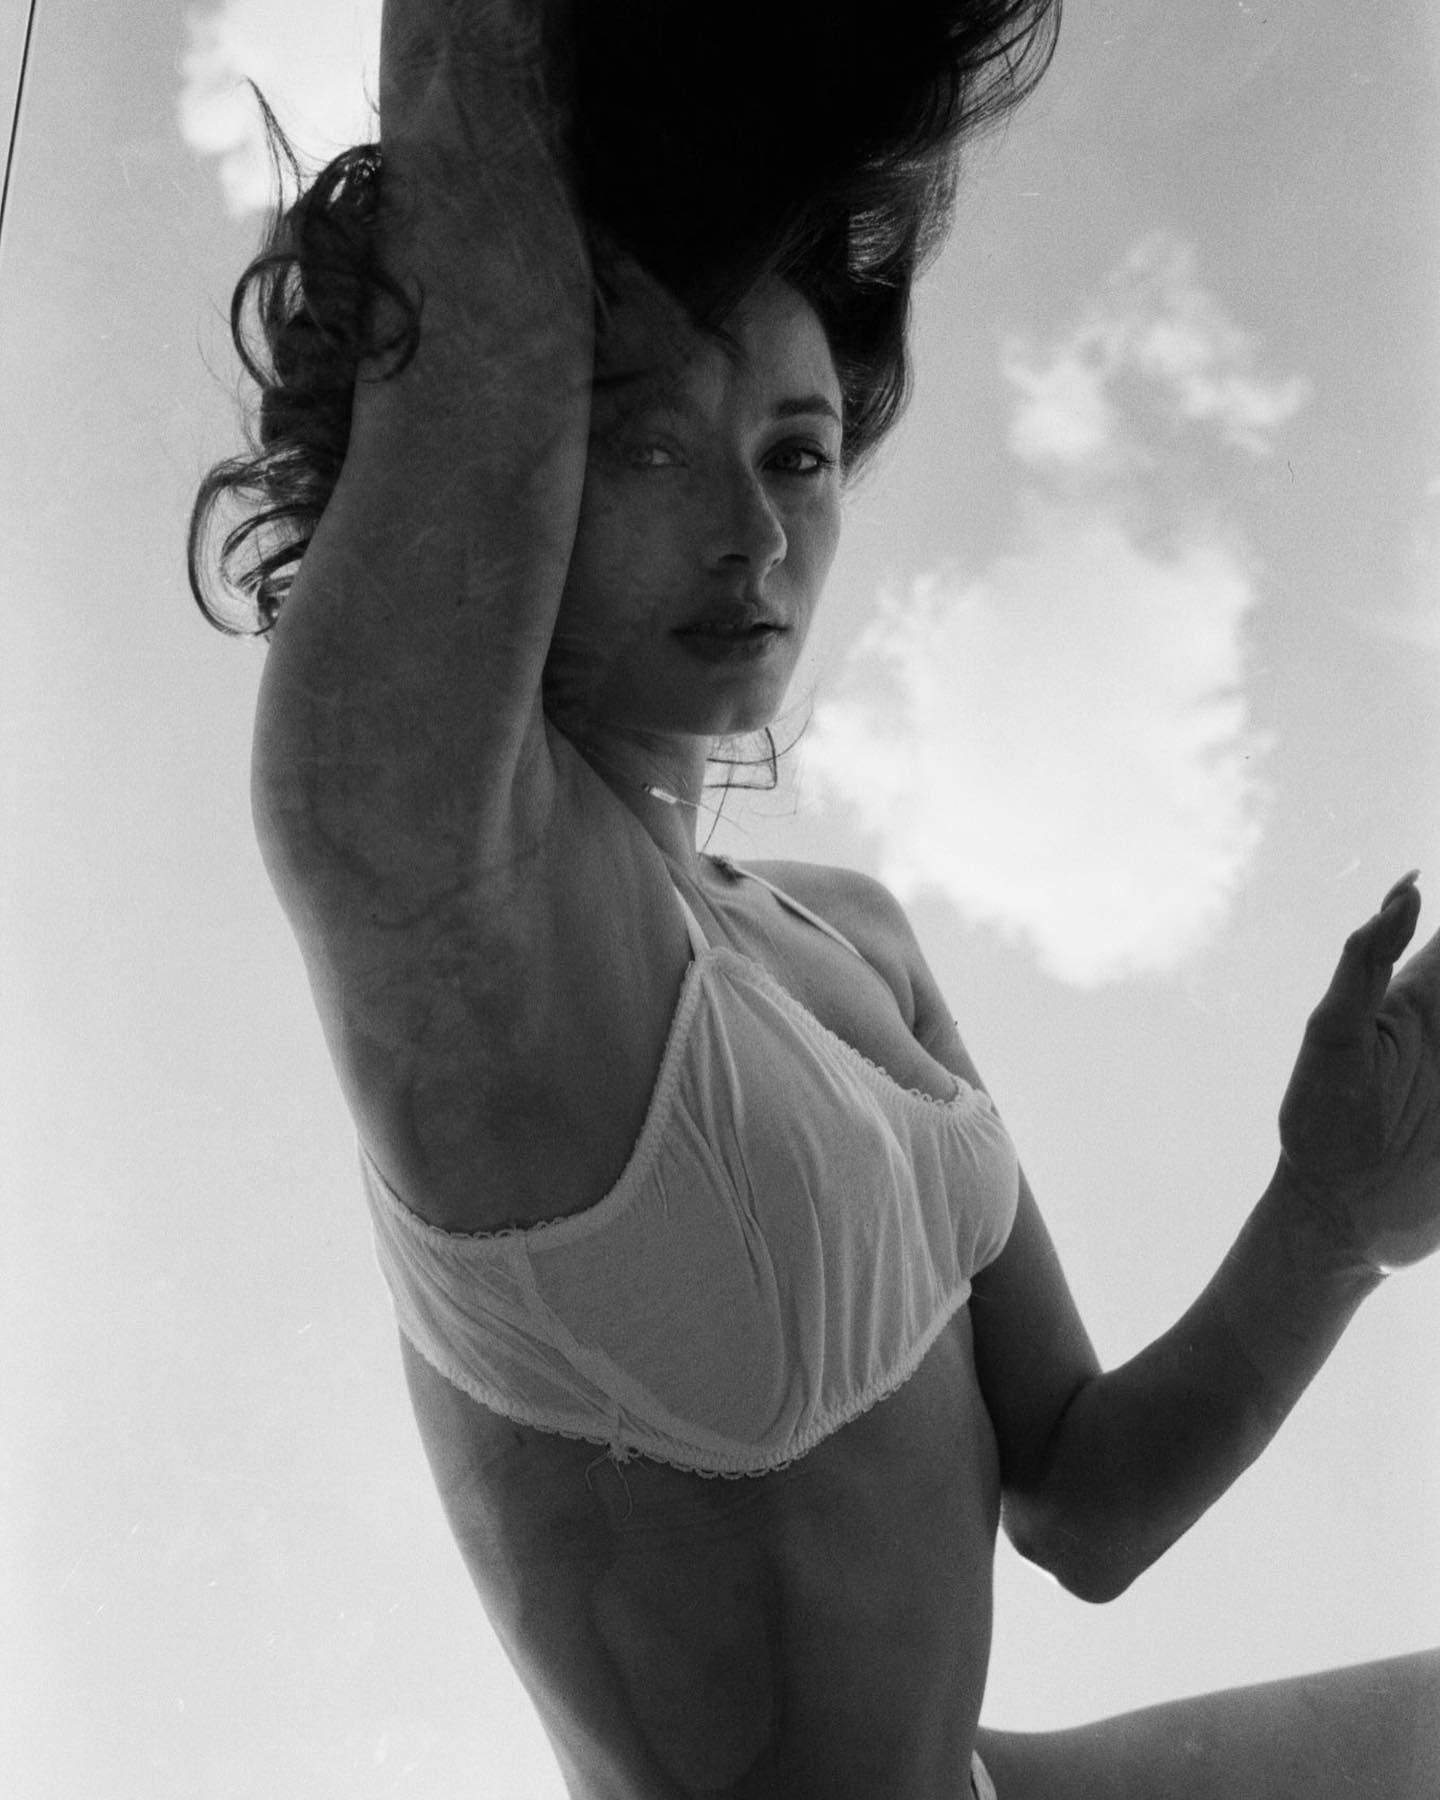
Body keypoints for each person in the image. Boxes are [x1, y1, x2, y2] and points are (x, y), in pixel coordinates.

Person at [190, 2, 1440, 1794]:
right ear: (509, 461)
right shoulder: (442, 882)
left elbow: (1084, 1497)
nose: (757, 531)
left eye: (795, 452)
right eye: (645, 446)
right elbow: (481, 201)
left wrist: (1333, 1217)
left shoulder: (858, 934)